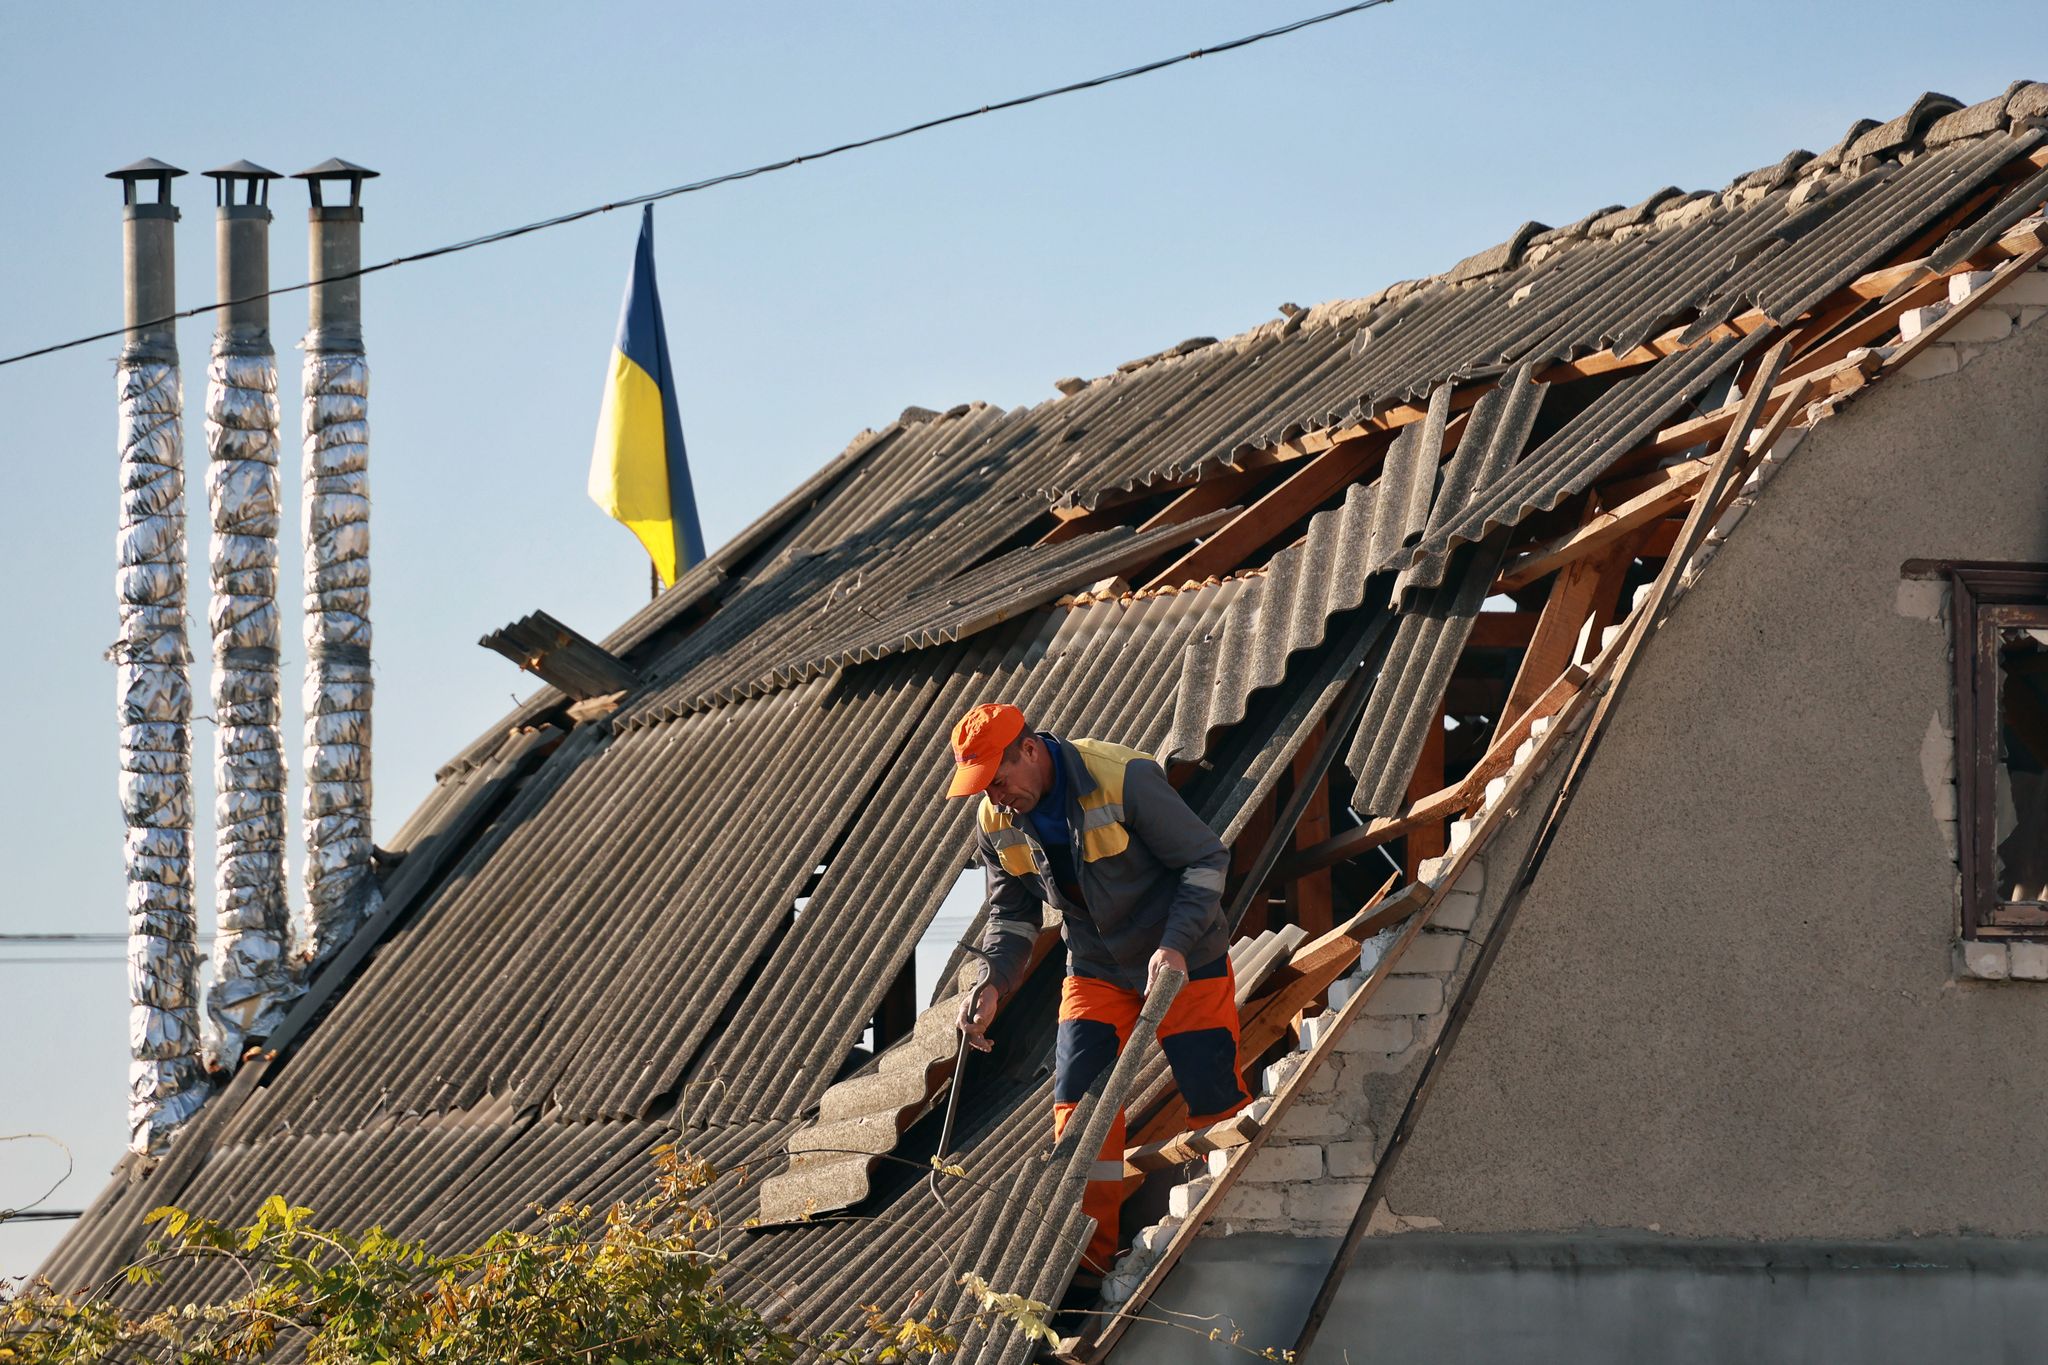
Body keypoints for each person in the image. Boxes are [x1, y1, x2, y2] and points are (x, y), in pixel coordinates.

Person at [944, 701, 1249, 1281]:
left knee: (1214, 1100)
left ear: (1029, 751)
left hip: (1185, 959)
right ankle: (1085, 1271)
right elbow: (1011, 918)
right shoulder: (994, 821)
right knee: (1079, 1119)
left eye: (999, 780)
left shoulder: (1122, 776)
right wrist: (992, 986)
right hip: (1095, 967)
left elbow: (1207, 859)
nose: (996, 796)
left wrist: (1177, 943)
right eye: (984, 787)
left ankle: (1237, 1238)